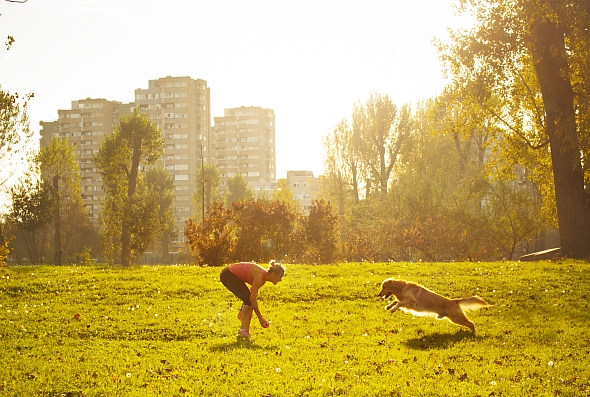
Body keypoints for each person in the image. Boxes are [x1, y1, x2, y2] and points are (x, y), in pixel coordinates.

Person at [220, 260, 285, 338]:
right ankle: (243, 330)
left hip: (228, 274)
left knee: (248, 301)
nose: (280, 280)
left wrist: (242, 309)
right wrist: (260, 318)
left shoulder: (262, 279)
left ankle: (244, 330)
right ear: (273, 274)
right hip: (228, 274)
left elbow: (249, 295)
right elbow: (252, 299)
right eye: (280, 277)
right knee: (249, 302)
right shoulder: (260, 277)